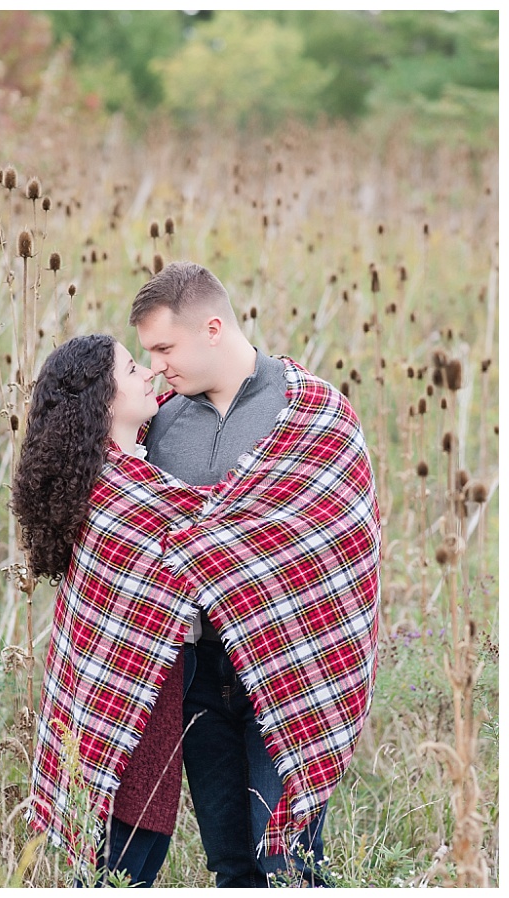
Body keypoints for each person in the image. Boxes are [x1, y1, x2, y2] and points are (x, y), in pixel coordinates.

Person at [131, 261, 380, 887]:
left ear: (212, 328)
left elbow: (345, 545)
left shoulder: (314, 413)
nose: (156, 366)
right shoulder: (158, 425)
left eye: (165, 348)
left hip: (290, 671)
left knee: (288, 863)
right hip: (197, 674)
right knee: (232, 865)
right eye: (148, 353)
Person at [13, 334, 185, 888]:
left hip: (119, 715)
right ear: (103, 399)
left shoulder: (108, 479)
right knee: (123, 870)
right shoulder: (124, 497)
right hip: (128, 722)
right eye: (132, 369)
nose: (149, 374)